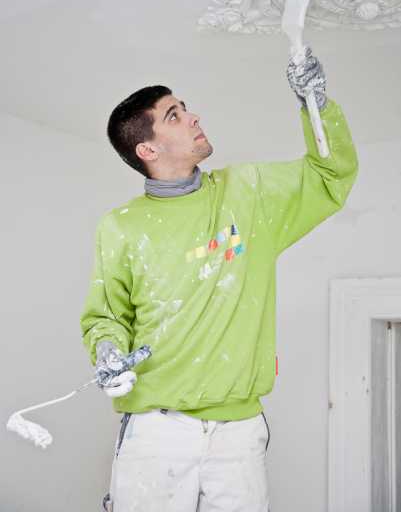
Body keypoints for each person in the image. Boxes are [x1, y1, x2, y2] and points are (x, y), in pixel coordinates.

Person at [80, 47, 358, 511]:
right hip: (156, 427)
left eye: (185, 108)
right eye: (174, 115)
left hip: (238, 431)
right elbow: (107, 315)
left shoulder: (248, 194)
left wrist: (316, 104)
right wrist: (107, 349)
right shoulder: (121, 226)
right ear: (148, 149)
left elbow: (331, 175)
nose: (193, 117)